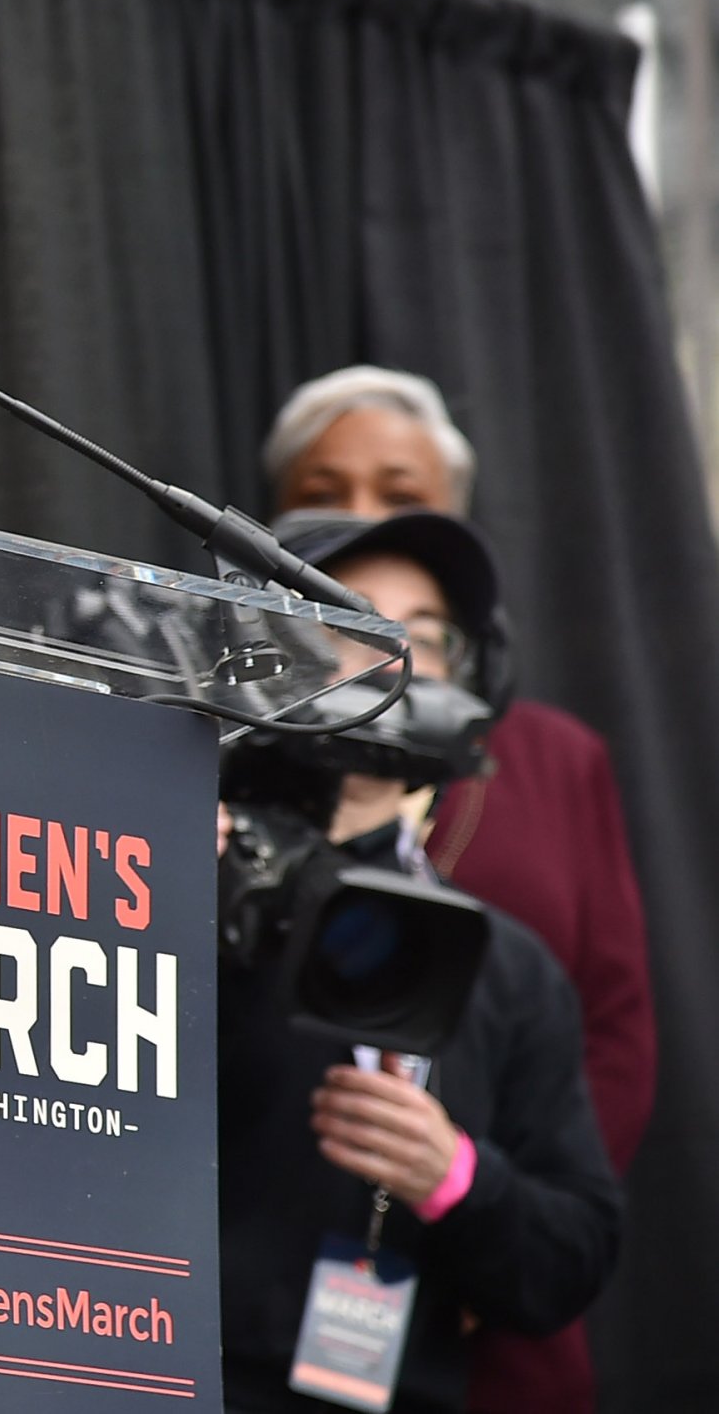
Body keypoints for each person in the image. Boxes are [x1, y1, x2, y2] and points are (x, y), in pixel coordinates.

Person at [264, 366, 655, 1413]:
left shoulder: (511, 969)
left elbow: (572, 1239)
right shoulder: (173, 877)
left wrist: (456, 1181)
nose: (388, 659)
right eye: (349, 623)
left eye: (420, 635)